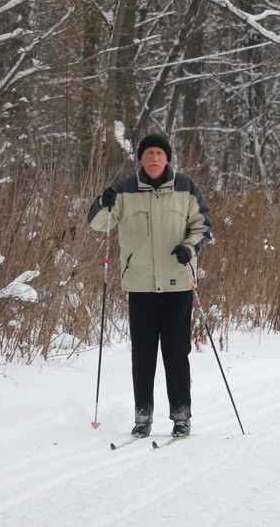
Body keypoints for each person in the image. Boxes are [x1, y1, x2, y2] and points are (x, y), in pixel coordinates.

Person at [87, 132, 212, 438]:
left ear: (167, 158)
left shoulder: (186, 187)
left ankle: (181, 416)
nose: (154, 158)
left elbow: (203, 226)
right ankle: (143, 417)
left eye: (159, 153)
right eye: (149, 153)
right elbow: (98, 223)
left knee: (175, 352)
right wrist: (103, 203)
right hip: (140, 284)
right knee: (142, 354)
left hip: (178, 283)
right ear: (140, 159)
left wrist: (190, 248)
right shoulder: (124, 189)